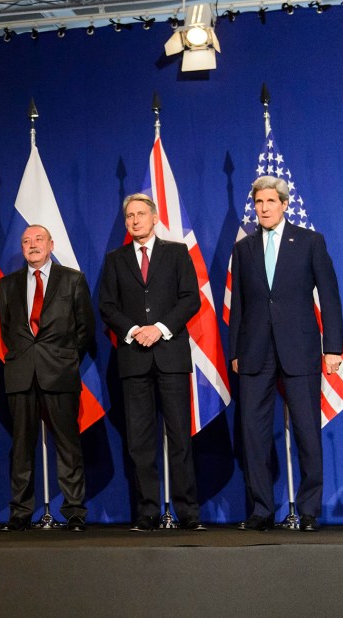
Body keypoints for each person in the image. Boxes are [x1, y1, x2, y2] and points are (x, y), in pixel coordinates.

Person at [230, 175, 343, 532]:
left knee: (307, 430)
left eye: (270, 202)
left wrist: (332, 348)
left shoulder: (310, 241)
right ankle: (262, 509)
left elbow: (330, 297)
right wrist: (235, 351)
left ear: (284, 204)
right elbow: (239, 306)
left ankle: (308, 510)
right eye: (258, 202)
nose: (263, 208)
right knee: (254, 433)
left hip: (300, 348)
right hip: (254, 351)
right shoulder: (244, 248)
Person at [99, 194, 204, 532]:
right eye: (129, 215)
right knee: (140, 441)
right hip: (134, 359)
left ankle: (187, 511)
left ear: (155, 218)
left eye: (141, 214)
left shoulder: (177, 253)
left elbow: (190, 298)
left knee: (180, 437)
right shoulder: (115, 260)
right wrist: (134, 331)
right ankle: (147, 511)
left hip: (171, 356)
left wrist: (159, 328)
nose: (135, 220)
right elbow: (107, 305)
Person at [0, 224, 94, 532]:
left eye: (38, 239)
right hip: (21, 374)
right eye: (26, 241)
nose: (32, 245)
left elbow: (85, 329)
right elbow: (6, 330)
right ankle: (20, 512)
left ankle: (74, 511)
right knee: (21, 446)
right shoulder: (8, 284)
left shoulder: (73, 279)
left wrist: (63, 359)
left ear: (51, 244)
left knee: (68, 445)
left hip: (60, 373)